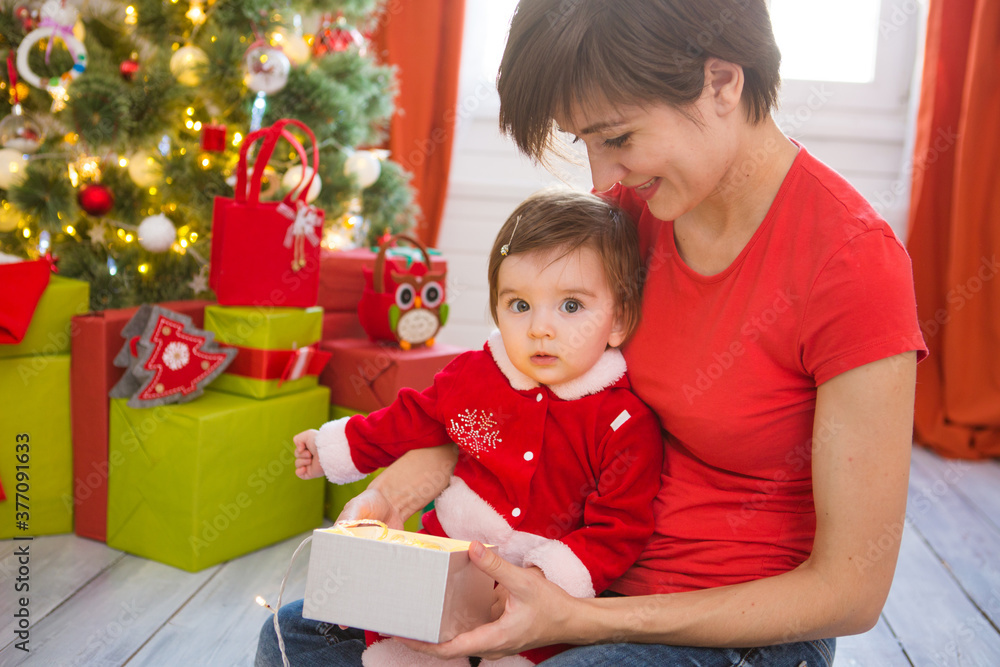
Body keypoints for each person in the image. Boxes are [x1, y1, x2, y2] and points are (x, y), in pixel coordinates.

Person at [257, 1, 927, 665]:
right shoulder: (624, 221)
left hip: (728, 628)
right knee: (301, 635)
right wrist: (394, 490)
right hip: (560, 577)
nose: (602, 178)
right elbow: (503, 399)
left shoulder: (850, 264)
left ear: (723, 81)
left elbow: (851, 589)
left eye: (618, 138)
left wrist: (583, 617)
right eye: (584, 142)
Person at [275, 190, 665, 667]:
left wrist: (545, 582)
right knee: (396, 644)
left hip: (534, 603)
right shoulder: (475, 376)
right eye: (519, 305)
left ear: (619, 319)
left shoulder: (624, 424)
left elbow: (618, 528)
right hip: (441, 569)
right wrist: (336, 447)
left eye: (570, 307)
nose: (540, 328)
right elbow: (409, 420)